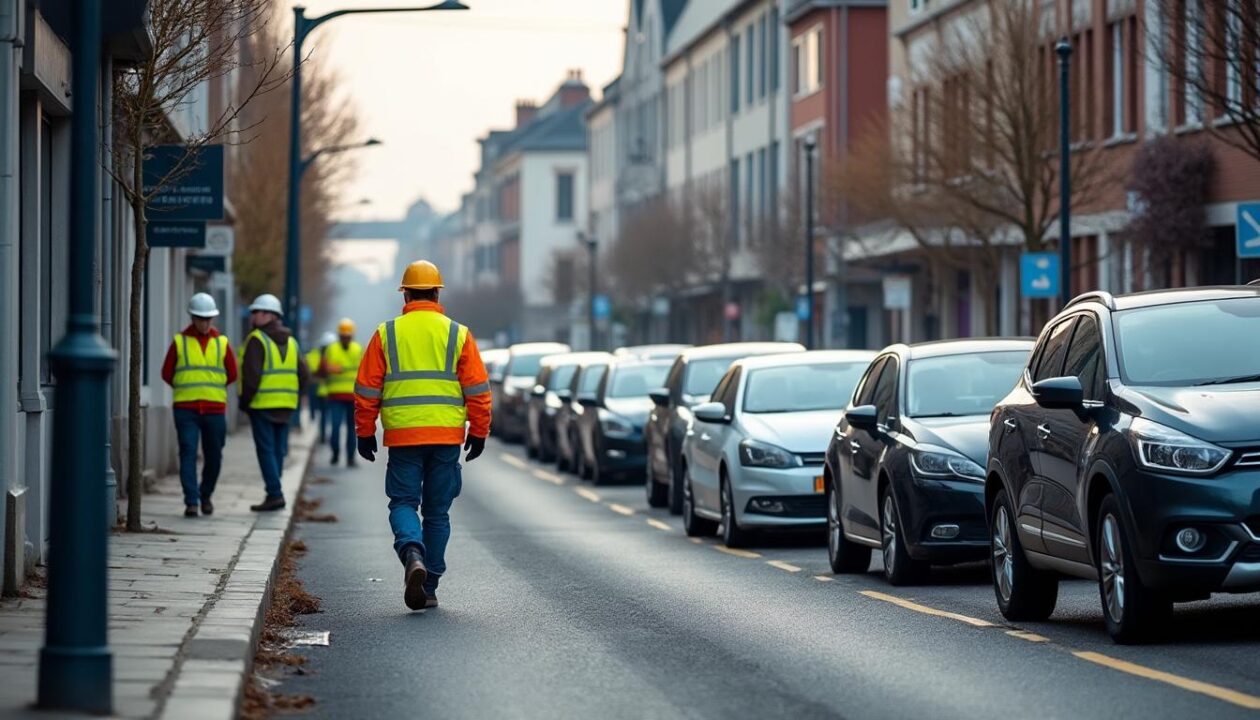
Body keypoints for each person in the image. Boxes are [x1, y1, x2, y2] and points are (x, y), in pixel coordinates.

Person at [354, 260, 491, 610]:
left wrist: (364, 431)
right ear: (436, 292)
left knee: (402, 503)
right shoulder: (458, 334)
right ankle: (429, 584)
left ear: (405, 295)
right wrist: (478, 430)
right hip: (446, 437)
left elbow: (367, 389)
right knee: (438, 513)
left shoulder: (386, 333)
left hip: (403, 437)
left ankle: (411, 551)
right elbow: (477, 389)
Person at [161, 293, 237, 518]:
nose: (204, 323)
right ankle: (191, 501)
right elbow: (167, 373)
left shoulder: (222, 343)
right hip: (186, 410)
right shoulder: (179, 341)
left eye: (208, 318)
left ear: (212, 318)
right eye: (200, 318)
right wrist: (187, 390)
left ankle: (206, 495)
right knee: (188, 452)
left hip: (214, 410)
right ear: (192, 317)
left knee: (214, 455)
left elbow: (232, 374)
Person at [239, 293, 309, 512]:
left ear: (268, 315)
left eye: (255, 312)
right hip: (286, 404)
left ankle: (274, 493)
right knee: (278, 450)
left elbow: (252, 377)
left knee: (266, 450)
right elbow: (304, 374)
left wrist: (244, 403)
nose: (252, 317)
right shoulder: (292, 341)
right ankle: (274, 490)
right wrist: (295, 397)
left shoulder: (256, 339)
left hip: (262, 405)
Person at [322, 318, 363, 467]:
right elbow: (326, 368)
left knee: (351, 429)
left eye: (348, 336)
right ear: (340, 335)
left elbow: (363, 371)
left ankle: (350, 457)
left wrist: (338, 369)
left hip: (352, 397)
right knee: (336, 427)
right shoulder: (332, 349)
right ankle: (336, 454)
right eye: (344, 336)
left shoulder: (358, 349)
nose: (346, 338)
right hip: (336, 396)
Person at [306, 331, 336, 443]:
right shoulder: (329, 355)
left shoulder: (317, 355)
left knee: (324, 415)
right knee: (328, 416)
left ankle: (324, 436)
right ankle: (326, 436)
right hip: (327, 391)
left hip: (324, 390)